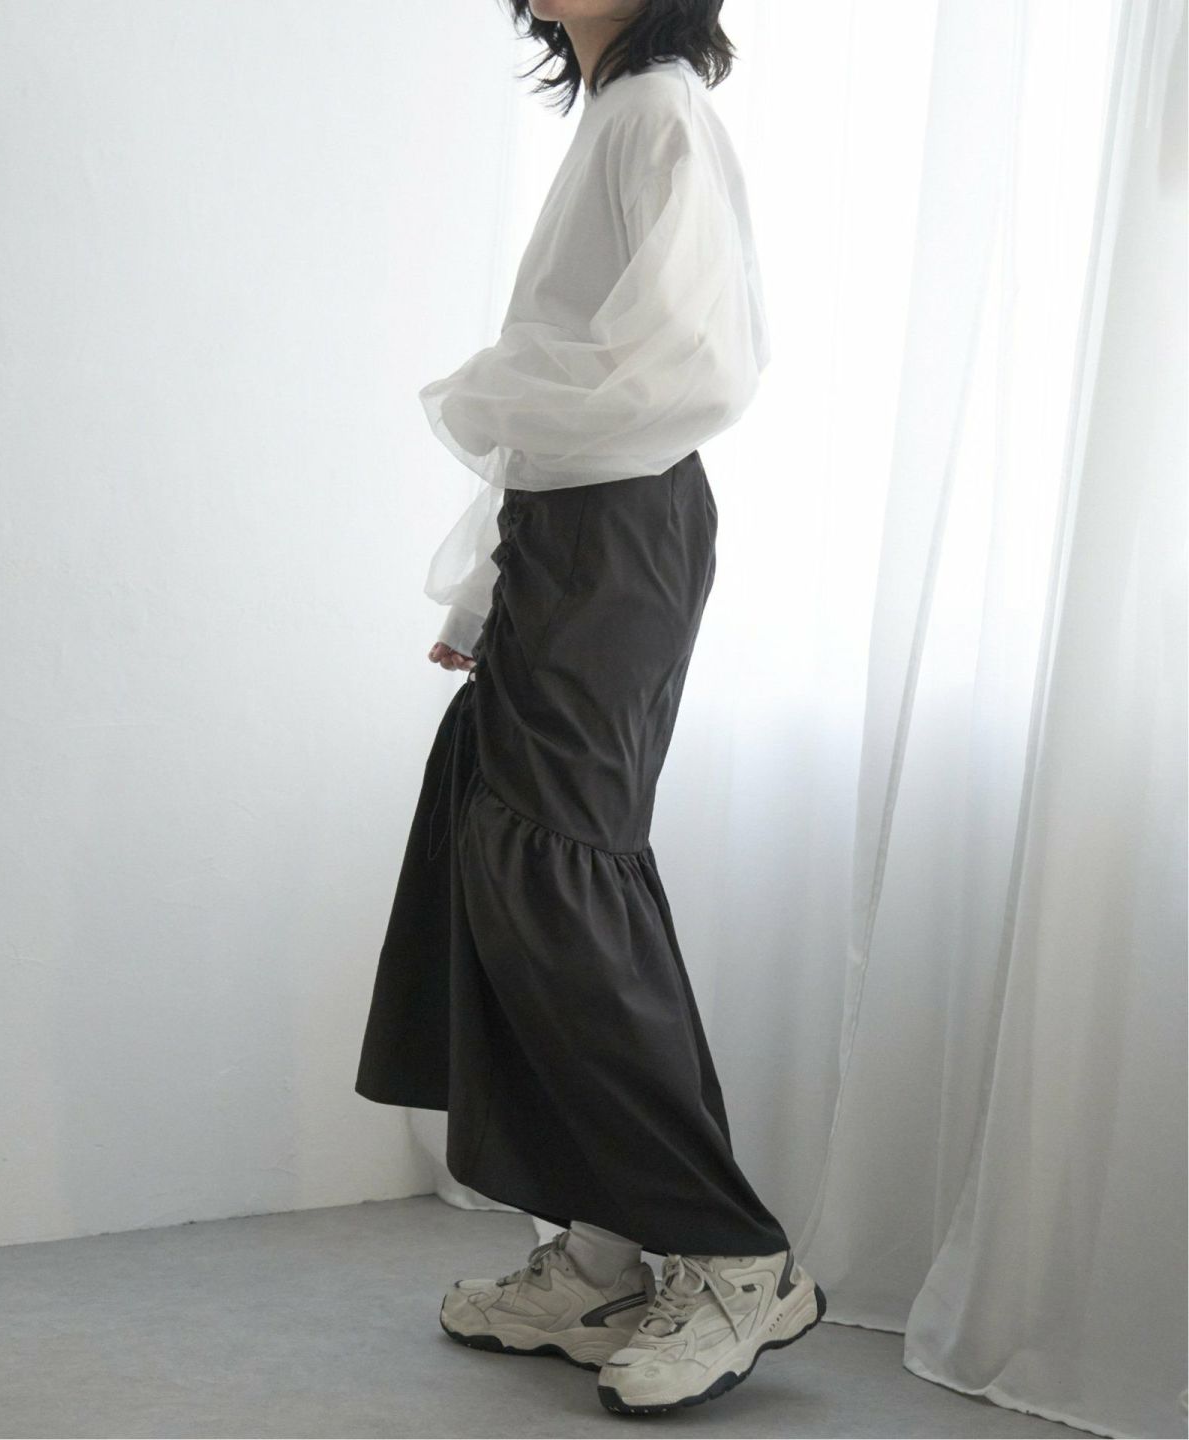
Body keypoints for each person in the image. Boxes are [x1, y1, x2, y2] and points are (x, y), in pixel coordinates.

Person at [355, 0, 826, 1416]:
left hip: (620, 533)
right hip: (571, 537)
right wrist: (485, 593)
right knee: (511, 861)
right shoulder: (618, 113)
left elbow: (693, 365)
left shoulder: (661, 109)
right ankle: (610, 1252)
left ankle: (734, 1255)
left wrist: (492, 391)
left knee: (559, 881)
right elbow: (584, 384)